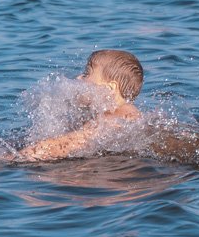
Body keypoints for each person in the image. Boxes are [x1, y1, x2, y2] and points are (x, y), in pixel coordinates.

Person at [16, 50, 144, 162]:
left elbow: (65, 145)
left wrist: (10, 159)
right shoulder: (101, 113)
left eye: (86, 74)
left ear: (109, 88)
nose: (78, 77)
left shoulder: (115, 118)